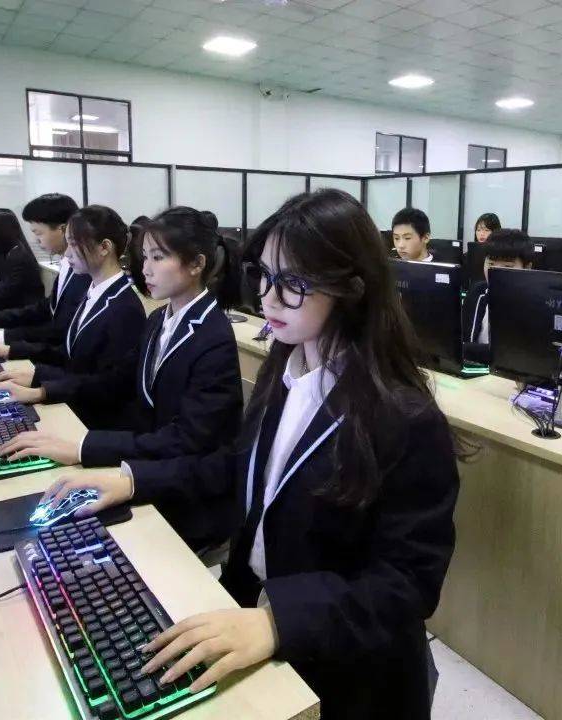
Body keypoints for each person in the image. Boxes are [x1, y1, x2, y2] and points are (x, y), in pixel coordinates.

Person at [37, 189, 461, 718]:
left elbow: (407, 584)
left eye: (294, 283)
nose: (268, 298)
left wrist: (278, 621)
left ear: (351, 289)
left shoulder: (405, 417)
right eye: (265, 276)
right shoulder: (284, 369)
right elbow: (239, 465)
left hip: (338, 664)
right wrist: (132, 480)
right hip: (252, 607)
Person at [0, 207, 244, 549]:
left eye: (158, 257)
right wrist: (43, 389)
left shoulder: (214, 337)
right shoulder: (159, 320)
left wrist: (85, 448)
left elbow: (185, 439)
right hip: (148, 466)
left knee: (64, 544)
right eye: (145, 256)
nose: (146, 268)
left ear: (196, 264)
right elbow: (116, 380)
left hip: (184, 497)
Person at [0, 205, 145, 431]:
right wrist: (31, 372)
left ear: (104, 247)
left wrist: (41, 390)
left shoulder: (125, 308)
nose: (67, 253)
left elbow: (109, 385)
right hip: (73, 402)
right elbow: (68, 355)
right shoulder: (93, 291)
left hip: (90, 421)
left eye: (74, 244)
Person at [0, 193, 89, 360]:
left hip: (57, 355)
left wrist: (4, 337)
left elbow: (60, 329)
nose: (36, 240)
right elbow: (48, 306)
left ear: (63, 230)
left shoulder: (83, 272)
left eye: (39, 233)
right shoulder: (66, 263)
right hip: (44, 346)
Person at [462, 228, 534, 364]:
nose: (494, 272)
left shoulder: (533, 305)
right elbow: (461, 338)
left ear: (527, 268)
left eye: (507, 266)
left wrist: (466, 350)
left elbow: (512, 354)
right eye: (490, 264)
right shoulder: (477, 293)